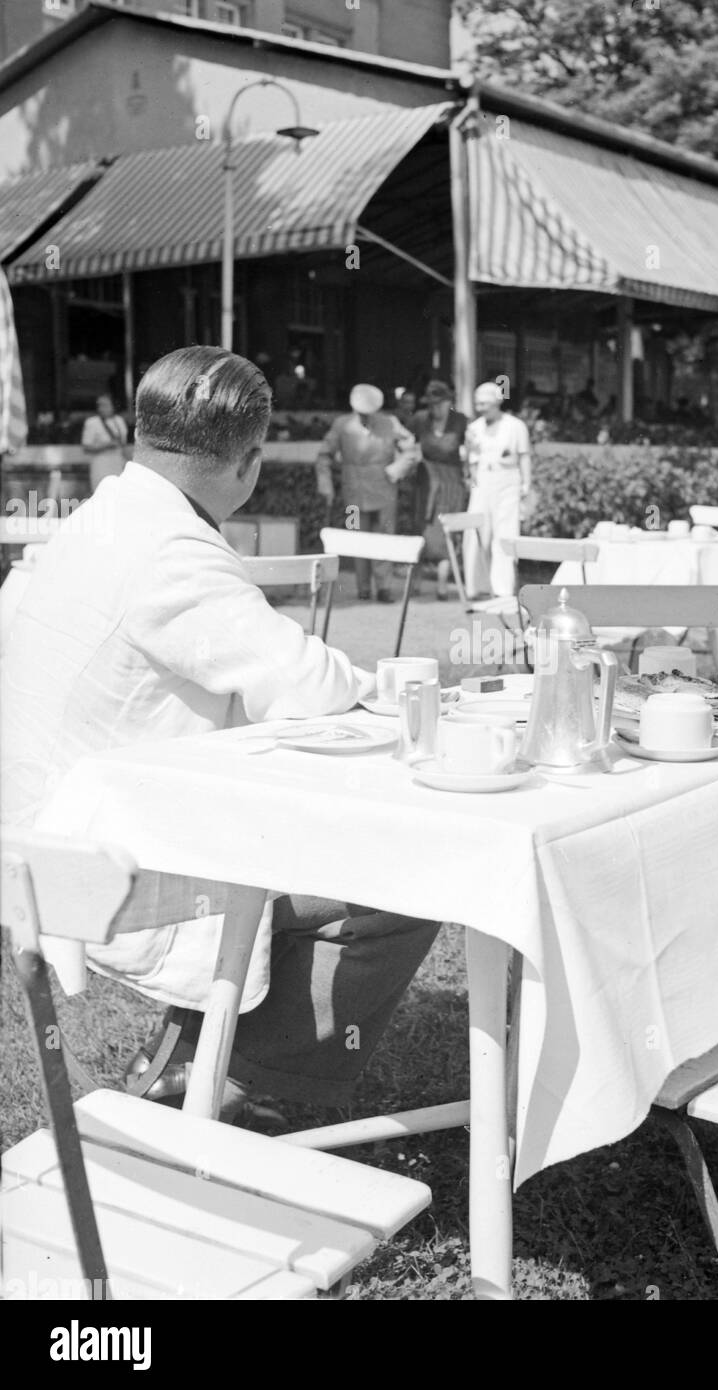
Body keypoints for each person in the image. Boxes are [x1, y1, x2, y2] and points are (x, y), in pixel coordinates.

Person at [1, 347, 439, 1119]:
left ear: (140, 432)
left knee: (302, 843)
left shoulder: (93, 520)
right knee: (410, 873)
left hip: (34, 840)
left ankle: (196, 1053)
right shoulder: (174, 550)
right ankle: (249, 1085)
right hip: (97, 869)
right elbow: (305, 683)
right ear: (250, 462)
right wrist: (390, 688)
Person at [315, 383, 420, 602]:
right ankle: (363, 587)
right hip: (352, 492)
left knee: (384, 536)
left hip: (384, 490)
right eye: (361, 413)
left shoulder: (389, 423)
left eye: (369, 413)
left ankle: (384, 587)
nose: (365, 417)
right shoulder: (342, 425)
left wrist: (398, 468)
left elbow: (412, 447)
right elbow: (324, 455)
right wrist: (325, 484)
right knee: (356, 536)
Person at [463, 381, 533, 599]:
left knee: (505, 533)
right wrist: (474, 484)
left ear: (497, 402)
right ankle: (476, 586)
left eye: (485, 403)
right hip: (483, 481)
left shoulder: (515, 426)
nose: (481, 408)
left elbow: (524, 456)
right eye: (478, 404)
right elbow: (472, 461)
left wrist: (526, 484)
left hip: (508, 481)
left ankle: (502, 588)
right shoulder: (474, 428)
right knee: (475, 532)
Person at [412, 380, 469, 600]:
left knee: (446, 531)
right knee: (422, 529)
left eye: (440, 404)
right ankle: (415, 581)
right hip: (425, 481)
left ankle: (443, 585)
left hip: (451, 483)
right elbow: (405, 441)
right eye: (431, 404)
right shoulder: (419, 419)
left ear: (449, 402)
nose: (435, 409)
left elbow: (474, 449)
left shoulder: (461, 421)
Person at [81, 392, 128, 491]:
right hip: (100, 466)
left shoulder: (119, 421)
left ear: (113, 406)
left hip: (117, 465)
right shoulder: (92, 422)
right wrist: (106, 445)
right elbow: (86, 447)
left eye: (105, 405)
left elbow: (123, 444)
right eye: (99, 405)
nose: (101, 408)